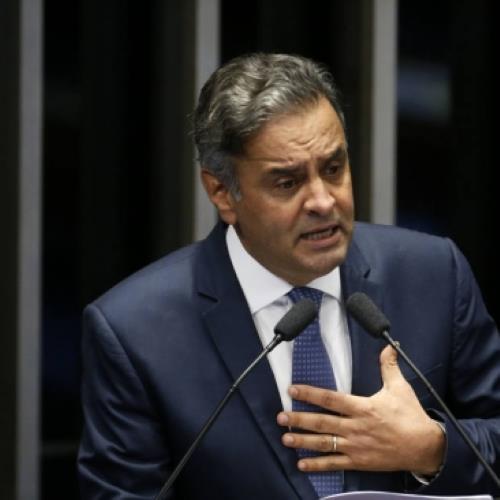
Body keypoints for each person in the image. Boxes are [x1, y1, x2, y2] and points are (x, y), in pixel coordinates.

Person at [78, 53, 500, 499]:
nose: (323, 201)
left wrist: (433, 448)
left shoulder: (433, 275)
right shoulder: (134, 333)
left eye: (333, 169)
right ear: (222, 192)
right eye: (287, 183)